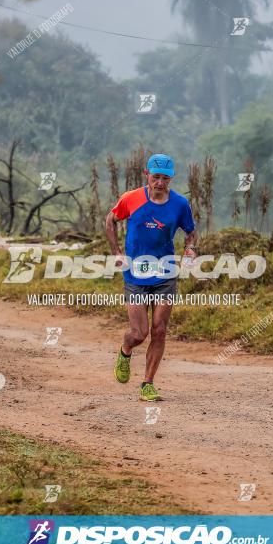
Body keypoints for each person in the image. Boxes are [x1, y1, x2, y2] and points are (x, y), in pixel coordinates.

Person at [104, 153, 197, 401]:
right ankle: (125, 351)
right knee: (139, 333)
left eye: (165, 179)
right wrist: (117, 252)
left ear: (171, 179)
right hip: (135, 273)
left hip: (165, 273)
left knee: (160, 329)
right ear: (147, 175)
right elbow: (110, 220)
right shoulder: (131, 199)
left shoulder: (180, 204)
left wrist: (190, 248)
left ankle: (148, 383)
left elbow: (191, 232)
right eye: (156, 177)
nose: (160, 183)